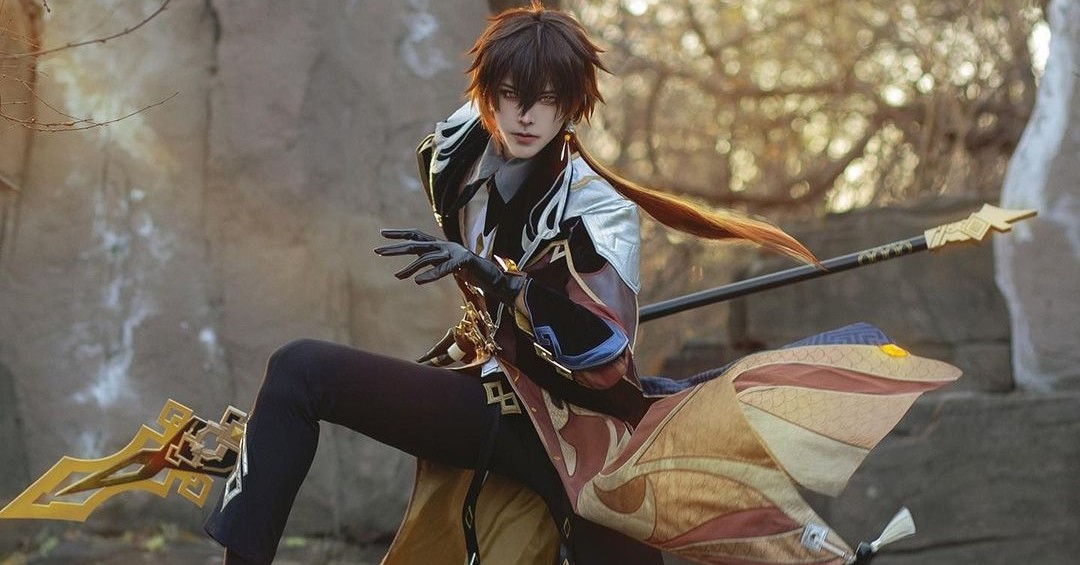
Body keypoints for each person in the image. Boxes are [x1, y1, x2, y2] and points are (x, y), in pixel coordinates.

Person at [205, 3, 960, 564]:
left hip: (583, 437)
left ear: (573, 105)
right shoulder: (454, 148)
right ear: (487, 92)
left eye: (548, 100)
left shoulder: (598, 213)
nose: (525, 115)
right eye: (509, 94)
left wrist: (502, 283)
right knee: (301, 371)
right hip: (491, 400)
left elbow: (603, 357)